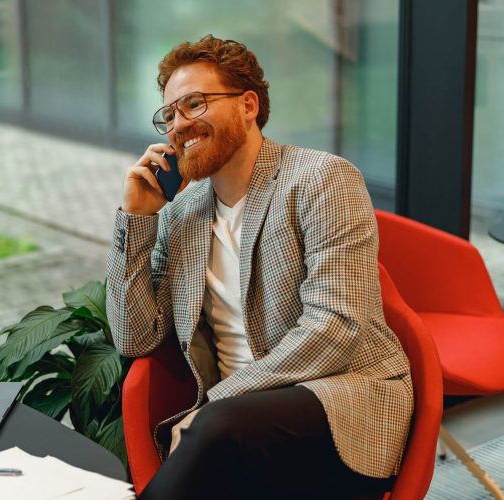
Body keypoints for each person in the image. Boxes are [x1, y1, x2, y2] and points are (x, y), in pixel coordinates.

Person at [106, 35, 413, 499]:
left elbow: (335, 329)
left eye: (194, 104)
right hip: (233, 430)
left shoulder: (321, 180)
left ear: (248, 105)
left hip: (341, 409)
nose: (179, 125)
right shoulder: (181, 215)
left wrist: (212, 406)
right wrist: (136, 221)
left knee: (220, 432)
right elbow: (135, 338)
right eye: (169, 115)